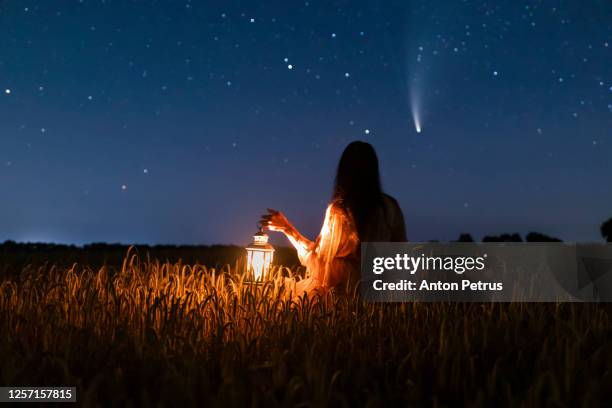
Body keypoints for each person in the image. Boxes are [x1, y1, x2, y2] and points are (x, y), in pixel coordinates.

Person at [261, 141, 406, 297]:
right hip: (382, 298)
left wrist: (287, 228)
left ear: (343, 172)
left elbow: (320, 262)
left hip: (343, 298)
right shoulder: (390, 207)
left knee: (278, 295)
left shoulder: (340, 211)